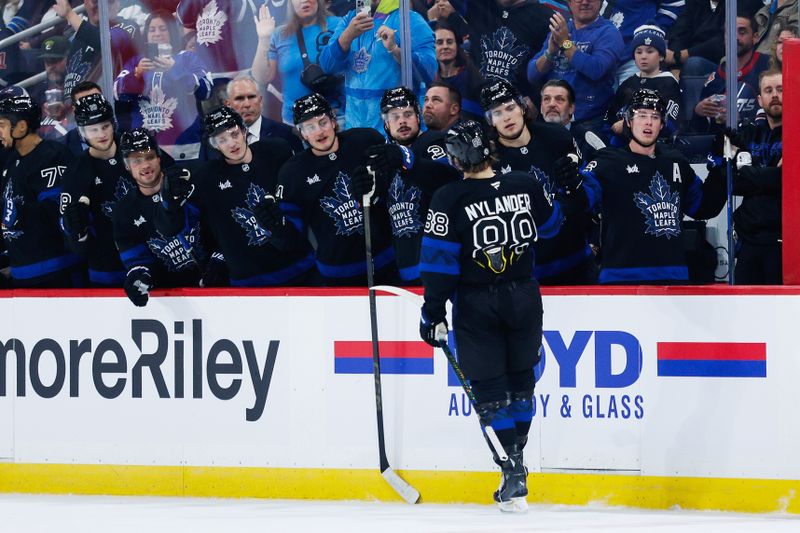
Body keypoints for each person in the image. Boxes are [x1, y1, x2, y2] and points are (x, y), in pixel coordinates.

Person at [418, 120, 563, 512]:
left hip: (477, 302)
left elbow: (439, 263)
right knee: (521, 385)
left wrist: (432, 311)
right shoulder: (524, 183)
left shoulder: (450, 197)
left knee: (491, 392)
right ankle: (516, 465)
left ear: (456, 158)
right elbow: (552, 227)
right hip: (525, 295)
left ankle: (514, 468)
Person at [562, 89, 727, 284]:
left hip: (672, 277)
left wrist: (721, 167)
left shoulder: (676, 162)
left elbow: (704, 207)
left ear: (662, 124)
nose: (648, 122)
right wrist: (571, 183)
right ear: (629, 121)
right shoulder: (608, 162)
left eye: (655, 116)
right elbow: (582, 201)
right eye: (641, 115)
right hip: (620, 277)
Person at [159, 106, 318, 287]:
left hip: (302, 270)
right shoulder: (206, 178)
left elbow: (303, 200)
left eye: (234, 134)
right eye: (222, 139)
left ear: (244, 131)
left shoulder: (277, 151)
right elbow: (175, 228)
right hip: (249, 283)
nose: (232, 143)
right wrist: (169, 205)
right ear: (214, 144)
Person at [275, 93, 397, 286]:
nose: (319, 131)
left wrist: (378, 190)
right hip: (336, 275)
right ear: (302, 133)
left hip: (388, 263)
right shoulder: (292, 173)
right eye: (310, 127)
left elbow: (396, 190)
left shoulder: (365, 141)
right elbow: (291, 236)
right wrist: (275, 225)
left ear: (333, 121)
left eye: (323, 122)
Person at [482, 79, 596, 284]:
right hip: (524, 274)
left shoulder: (557, 136)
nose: (507, 117)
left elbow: (587, 191)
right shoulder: (488, 160)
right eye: (498, 113)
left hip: (577, 261)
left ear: (522, 107)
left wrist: (576, 188)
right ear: (490, 120)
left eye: (510, 108)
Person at [369, 87, 460, 283]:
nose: (402, 121)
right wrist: (366, 196)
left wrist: (408, 160)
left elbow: (450, 181)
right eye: (394, 116)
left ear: (418, 117)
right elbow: (381, 225)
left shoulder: (433, 142)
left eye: (408, 114)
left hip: (443, 266)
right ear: (385, 124)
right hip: (405, 269)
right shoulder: (384, 160)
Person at [0, 95, 82, 288]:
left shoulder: (52, 156)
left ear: (21, 126)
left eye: (2, 125)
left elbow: (58, 211)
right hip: (22, 272)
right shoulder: (12, 160)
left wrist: (14, 211)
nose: (0, 132)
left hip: (57, 272)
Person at [112, 129, 202, 306]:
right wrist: (139, 276)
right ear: (127, 166)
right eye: (137, 160)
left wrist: (219, 258)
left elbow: (219, 228)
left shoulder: (188, 183)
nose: (145, 165)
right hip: (171, 299)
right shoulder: (124, 210)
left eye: (150, 157)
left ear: (159, 158)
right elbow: (137, 260)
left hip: (216, 287)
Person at [318, 0, 437, 131]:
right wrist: (347, 35)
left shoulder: (409, 19)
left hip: (398, 128)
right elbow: (327, 66)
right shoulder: (350, 20)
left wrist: (395, 50)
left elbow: (429, 71)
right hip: (355, 128)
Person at [115, 10, 213, 160]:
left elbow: (206, 90)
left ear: (172, 31)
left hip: (184, 146)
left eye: (163, 29)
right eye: (152, 30)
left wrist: (175, 70)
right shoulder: (136, 62)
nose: (157, 34)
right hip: (143, 148)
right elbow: (116, 93)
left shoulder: (187, 58)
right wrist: (136, 75)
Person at [60, 94, 131, 287]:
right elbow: (70, 231)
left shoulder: (135, 148)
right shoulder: (76, 170)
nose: (101, 134)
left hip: (151, 260)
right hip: (106, 268)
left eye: (105, 126)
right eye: (93, 129)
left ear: (113, 124)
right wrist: (77, 230)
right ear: (82, 132)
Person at [528, 0, 625, 137]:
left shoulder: (609, 33)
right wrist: (550, 52)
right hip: (552, 118)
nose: (585, 2)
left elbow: (595, 69)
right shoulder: (562, 30)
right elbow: (532, 74)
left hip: (589, 122)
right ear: (569, 2)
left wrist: (564, 43)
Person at [251, 0, 344, 125]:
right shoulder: (279, 35)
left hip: (336, 117)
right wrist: (263, 40)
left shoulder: (340, 25)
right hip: (295, 121)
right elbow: (262, 78)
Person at [729, 70, 783, 284]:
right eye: (768, 90)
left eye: (780, 89)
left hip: (783, 241)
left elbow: (786, 181)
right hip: (749, 240)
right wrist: (770, 175)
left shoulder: (796, 133)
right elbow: (734, 182)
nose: (775, 95)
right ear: (760, 99)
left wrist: (749, 172)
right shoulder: (750, 134)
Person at [691, 14, 771, 133]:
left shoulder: (767, 66)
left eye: (742, 32)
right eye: (730, 33)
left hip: (755, 143)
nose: (735, 37)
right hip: (719, 144)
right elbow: (697, 129)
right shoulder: (718, 74)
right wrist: (698, 111)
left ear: (755, 37)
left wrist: (740, 120)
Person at [605, 24, 680, 146]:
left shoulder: (668, 83)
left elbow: (671, 124)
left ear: (661, 56)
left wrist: (626, 125)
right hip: (623, 146)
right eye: (639, 52)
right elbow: (611, 116)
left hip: (657, 147)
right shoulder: (628, 83)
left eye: (650, 51)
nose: (644, 56)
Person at [464, 0, 553, 100]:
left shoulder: (546, 17)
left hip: (518, 107)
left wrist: (535, 100)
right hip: (476, 105)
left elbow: (556, 69)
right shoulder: (479, 5)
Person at [54, 0, 139, 101]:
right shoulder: (75, 39)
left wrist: (69, 14)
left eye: (108, 2)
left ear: (117, 3)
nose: (101, 6)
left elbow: (107, 44)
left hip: (109, 109)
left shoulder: (127, 27)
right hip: (77, 112)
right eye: (95, 1)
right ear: (85, 3)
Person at [599, 1, 685, 85]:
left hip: (634, 56)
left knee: (636, 97)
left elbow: (676, 3)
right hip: (601, 53)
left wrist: (654, 30)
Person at [222, 75, 303, 152]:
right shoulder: (217, 140)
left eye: (251, 97)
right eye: (239, 98)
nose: (247, 104)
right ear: (228, 104)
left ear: (260, 100)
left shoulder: (286, 134)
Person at [176, 0, 260, 74]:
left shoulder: (242, 3)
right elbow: (183, 16)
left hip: (235, 72)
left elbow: (239, 9)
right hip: (205, 71)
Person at [433, 22, 483, 122]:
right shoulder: (430, 79)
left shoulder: (472, 77)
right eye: (439, 42)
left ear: (457, 45)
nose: (445, 46)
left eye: (449, 42)